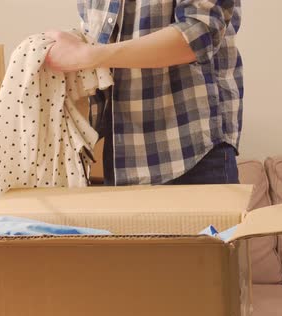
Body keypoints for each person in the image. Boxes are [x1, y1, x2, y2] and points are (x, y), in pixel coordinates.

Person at [44, 0, 243, 186]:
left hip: (191, 154)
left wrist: (87, 55)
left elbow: (198, 33)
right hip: (119, 160)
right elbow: (95, 41)